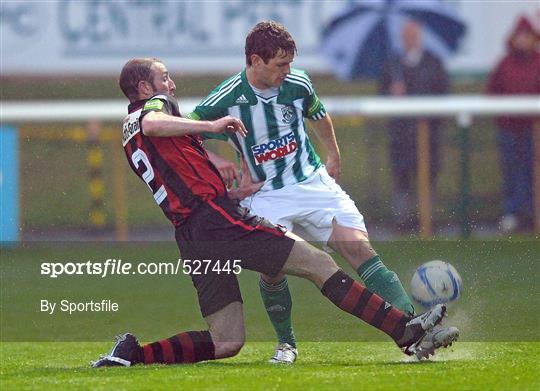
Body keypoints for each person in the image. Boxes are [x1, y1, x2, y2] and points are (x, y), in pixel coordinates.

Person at [91, 57, 459, 367]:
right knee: (319, 264)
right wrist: (211, 125)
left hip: (194, 234)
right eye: (163, 77)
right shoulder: (150, 112)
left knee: (226, 341)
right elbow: (153, 123)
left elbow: (179, 182)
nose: (171, 83)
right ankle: (406, 331)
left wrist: (234, 193)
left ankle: (132, 354)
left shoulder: (131, 131)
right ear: (143, 89)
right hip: (217, 223)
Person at [190, 21, 424, 364]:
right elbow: (186, 133)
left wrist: (333, 153)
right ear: (255, 60)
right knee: (272, 270)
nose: (288, 71)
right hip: (265, 194)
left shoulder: (297, 83)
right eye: (279, 65)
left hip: (311, 182)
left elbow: (318, 112)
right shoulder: (227, 97)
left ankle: (414, 328)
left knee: (357, 247)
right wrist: (215, 160)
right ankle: (286, 343)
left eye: (289, 63)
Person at [379, 19, 449, 230]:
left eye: (413, 35)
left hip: (428, 134)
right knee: (402, 178)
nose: (409, 39)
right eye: (405, 36)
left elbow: (443, 92)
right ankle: (402, 221)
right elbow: (381, 93)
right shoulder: (393, 65)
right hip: (401, 135)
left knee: (428, 177)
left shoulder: (433, 62)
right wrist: (392, 93)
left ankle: (427, 221)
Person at [487, 15, 539, 233]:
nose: (522, 40)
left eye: (526, 36)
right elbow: (492, 92)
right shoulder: (504, 63)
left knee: (530, 171)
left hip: (532, 130)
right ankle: (512, 213)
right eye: (520, 36)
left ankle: (530, 212)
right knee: (511, 170)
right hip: (509, 129)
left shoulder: (537, 62)